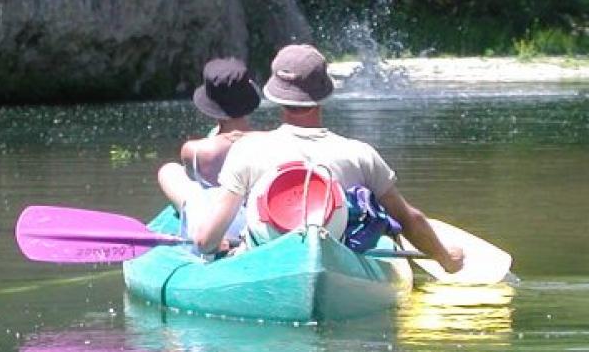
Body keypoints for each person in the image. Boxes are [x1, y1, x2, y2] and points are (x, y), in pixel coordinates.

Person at [193, 43, 465, 273]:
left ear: (274, 94)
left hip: (266, 264)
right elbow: (409, 220)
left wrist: (216, 245)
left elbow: (206, 240)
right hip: (338, 267)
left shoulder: (248, 149)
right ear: (324, 93)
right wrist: (445, 258)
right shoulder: (360, 154)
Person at [158, 57, 261, 242]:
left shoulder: (195, 151)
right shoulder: (269, 141)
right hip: (256, 224)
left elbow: (193, 180)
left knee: (169, 171)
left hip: (213, 227)